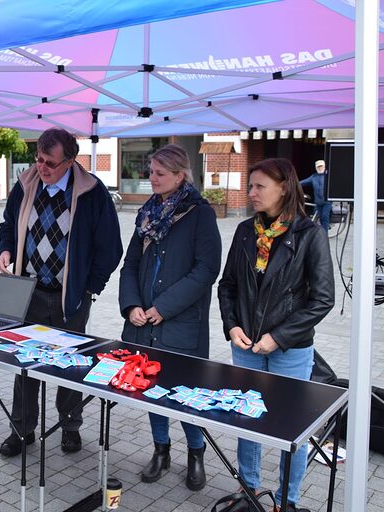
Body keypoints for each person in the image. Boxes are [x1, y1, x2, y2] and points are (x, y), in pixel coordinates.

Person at [0, 127, 123, 456]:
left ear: (69, 161)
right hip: (31, 292)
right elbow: (8, 224)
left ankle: (70, 427)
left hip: (71, 298)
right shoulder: (25, 185)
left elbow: (110, 249)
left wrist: (90, 289)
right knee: (25, 365)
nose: (42, 167)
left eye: (49, 163)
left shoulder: (93, 193)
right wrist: (6, 248)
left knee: (70, 363)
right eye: (38, 159)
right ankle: (21, 429)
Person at [218, 158, 334, 512]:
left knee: (290, 429)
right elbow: (228, 286)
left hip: (290, 349)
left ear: (284, 187)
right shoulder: (243, 232)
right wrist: (232, 326)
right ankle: (248, 492)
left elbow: (323, 298)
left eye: (258, 186)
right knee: (247, 420)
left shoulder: (310, 234)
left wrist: (279, 337)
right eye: (250, 185)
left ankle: (286, 502)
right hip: (246, 345)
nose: (250, 193)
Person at [118, 144, 221, 490]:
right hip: (143, 321)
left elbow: (207, 269)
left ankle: (195, 453)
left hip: (179, 323)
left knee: (185, 392)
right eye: (150, 171)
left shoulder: (199, 213)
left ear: (180, 175)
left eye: (160, 173)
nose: (152, 178)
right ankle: (161, 450)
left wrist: (165, 307)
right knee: (151, 389)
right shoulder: (147, 213)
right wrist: (131, 304)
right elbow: (130, 263)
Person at [300, 159, 330, 231]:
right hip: (318, 202)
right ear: (316, 168)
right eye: (318, 167)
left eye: (321, 166)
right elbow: (303, 182)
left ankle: (325, 235)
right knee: (317, 218)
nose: (320, 168)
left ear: (324, 166)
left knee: (324, 217)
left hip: (327, 202)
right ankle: (318, 234)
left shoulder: (328, 176)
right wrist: (294, 184)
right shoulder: (313, 177)